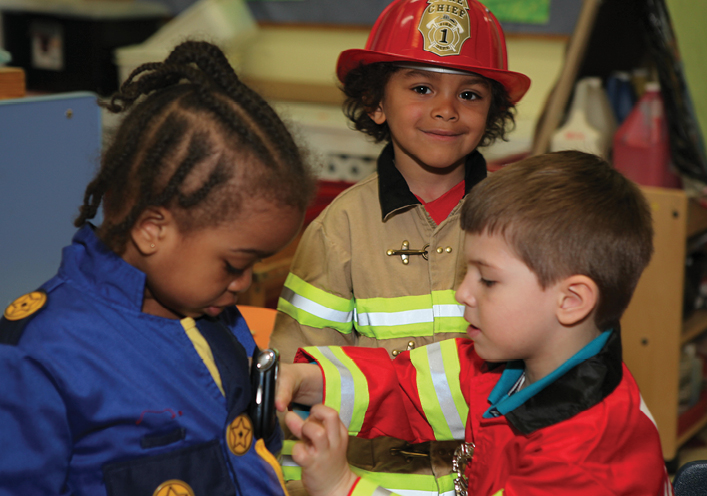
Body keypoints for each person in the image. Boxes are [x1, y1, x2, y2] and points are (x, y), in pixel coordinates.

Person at [0, 40, 315, 496]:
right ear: (152, 229)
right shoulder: (38, 357)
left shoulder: (211, 314)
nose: (243, 285)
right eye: (234, 264)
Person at [278, 151, 672, 496]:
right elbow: (405, 388)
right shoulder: (507, 367)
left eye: (487, 279)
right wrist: (306, 380)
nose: (462, 293)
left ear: (571, 301)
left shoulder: (584, 460)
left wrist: (340, 486)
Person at [269, 0, 530, 492]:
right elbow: (298, 380)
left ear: (492, 110)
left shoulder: (518, 222)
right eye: (422, 87)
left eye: (470, 93)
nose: (447, 109)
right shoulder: (336, 231)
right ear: (376, 103)